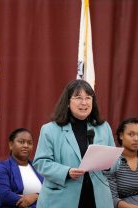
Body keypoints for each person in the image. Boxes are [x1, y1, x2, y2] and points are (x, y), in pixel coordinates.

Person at [33, 79, 116, 208]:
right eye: (78, 98)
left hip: (98, 198)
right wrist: (67, 172)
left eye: (88, 98)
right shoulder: (50, 130)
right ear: (67, 102)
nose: (84, 102)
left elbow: (117, 162)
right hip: (62, 199)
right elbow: (41, 162)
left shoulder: (103, 127)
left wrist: (107, 164)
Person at [0, 128, 44, 208]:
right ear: (11, 145)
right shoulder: (2, 167)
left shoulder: (38, 167)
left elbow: (50, 191)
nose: (26, 146)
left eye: (29, 143)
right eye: (21, 142)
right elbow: (5, 195)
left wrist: (36, 196)